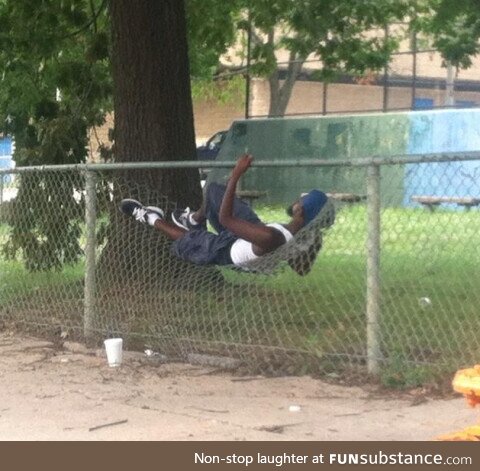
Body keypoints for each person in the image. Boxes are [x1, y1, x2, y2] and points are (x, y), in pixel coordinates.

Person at [120, 155, 332, 274]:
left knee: (188, 241)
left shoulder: (272, 237)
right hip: (253, 233)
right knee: (213, 191)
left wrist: (236, 175)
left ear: (301, 210)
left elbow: (225, 220)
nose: (296, 200)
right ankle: (194, 219)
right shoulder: (299, 234)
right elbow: (301, 270)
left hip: (229, 251)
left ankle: (150, 217)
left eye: (301, 199)